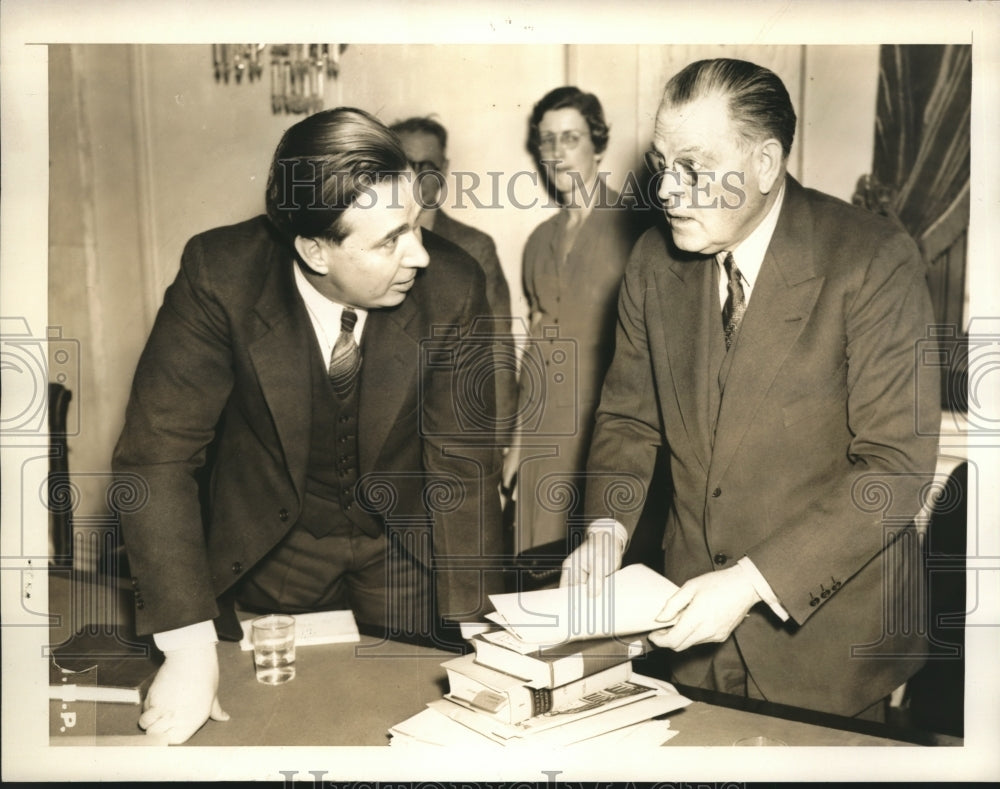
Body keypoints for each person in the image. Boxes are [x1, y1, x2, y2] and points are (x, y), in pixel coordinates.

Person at [561, 58, 940, 719]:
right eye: (660, 165)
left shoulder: (872, 259)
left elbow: (895, 470)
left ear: (765, 165)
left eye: (694, 169)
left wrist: (749, 583)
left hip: (831, 650)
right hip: (689, 643)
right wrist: (603, 530)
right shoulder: (654, 261)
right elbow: (628, 420)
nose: (669, 192)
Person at [112, 107, 505, 743]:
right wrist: (186, 646)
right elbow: (156, 457)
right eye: (388, 240)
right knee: (275, 723)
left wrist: (484, 628)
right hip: (273, 548)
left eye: (413, 224)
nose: (421, 255)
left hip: (401, 549)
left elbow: (463, 467)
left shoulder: (454, 286)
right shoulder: (220, 275)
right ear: (315, 249)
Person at [503, 86, 639, 552]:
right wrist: (517, 447)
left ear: (598, 145)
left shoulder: (635, 225)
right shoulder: (539, 241)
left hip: (604, 433)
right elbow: (535, 349)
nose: (557, 153)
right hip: (543, 431)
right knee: (536, 575)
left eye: (571, 138)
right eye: (547, 140)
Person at [389, 116, 518, 436]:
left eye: (426, 166)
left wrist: (499, 438)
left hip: (452, 420)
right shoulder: (367, 242)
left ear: (443, 169)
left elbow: (497, 342)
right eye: (406, 164)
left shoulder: (475, 247)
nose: (415, 177)